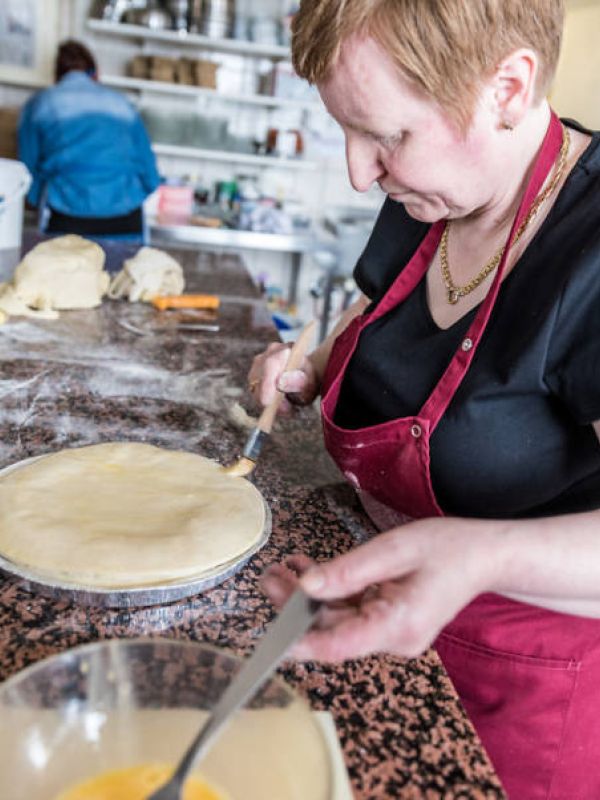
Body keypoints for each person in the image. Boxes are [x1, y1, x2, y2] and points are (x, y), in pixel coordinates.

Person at [249, 1, 600, 796]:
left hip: (526, 695)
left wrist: (478, 554)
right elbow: (380, 328)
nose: (356, 170)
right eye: (346, 129)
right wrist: (315, 366)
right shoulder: (432, 193)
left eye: (387, 135)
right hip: (379, 636)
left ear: (508, 87)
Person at [18, 39, 160, 240]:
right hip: (125, 220)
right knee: (125, 271)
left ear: (57, 76)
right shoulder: (122, 105)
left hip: (66, 217)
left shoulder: (41, 103)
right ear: (96, 73)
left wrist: (41, 200)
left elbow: (26, 175)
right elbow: (151, 176)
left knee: (61, 271)